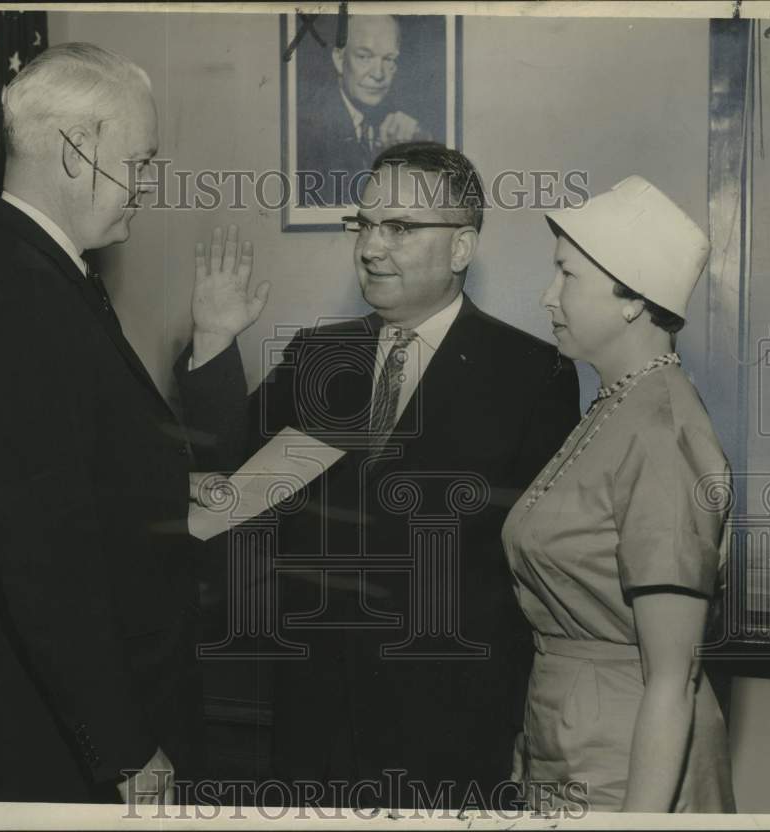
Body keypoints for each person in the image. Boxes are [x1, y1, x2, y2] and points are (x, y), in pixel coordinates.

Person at [178, 142, 580, 808]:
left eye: (399, 227)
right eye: (363, 224)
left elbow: (539, 566)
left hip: (452, 730)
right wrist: (215, 340)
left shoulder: (533, 375)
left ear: (461, 248)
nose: (370, 247)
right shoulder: (320, 356)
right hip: (314, 725)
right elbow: (221, 474)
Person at [0, 43, 217, 804]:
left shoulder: (35, 270)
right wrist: (125, 750)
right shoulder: (23, 295)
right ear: (77, 149)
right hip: (59, 746)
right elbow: (48, 559)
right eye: (142, 161)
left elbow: (74, 478)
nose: (148, 186)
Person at [502, 176, 737, 812]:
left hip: (628, 766)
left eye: (566, 276)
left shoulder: (662, 430)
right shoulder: (616, 406)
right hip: (568, 742)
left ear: (632, 298)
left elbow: (672, 677)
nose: (546, 296)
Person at [297, 15, 431, 206]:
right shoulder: (306, 130)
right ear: (339, 59)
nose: (378, 74)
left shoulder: (403, 125)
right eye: (364, 57)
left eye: (388, 59)